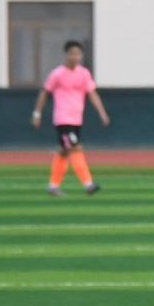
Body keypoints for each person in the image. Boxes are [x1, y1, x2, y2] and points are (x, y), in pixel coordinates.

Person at [33, 41, 109, 196]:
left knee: (64, 151)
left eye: (78, 54)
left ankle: (53, 186)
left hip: (76, 119)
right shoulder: (58, 74)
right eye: (72, 53)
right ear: (66, 54)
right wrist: (37, 114)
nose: (75, 57)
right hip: (63, 119)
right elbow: (44, 92)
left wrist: (102, 112)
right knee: (76, 147)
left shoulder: (84, 74)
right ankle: (88, 184)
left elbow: (92, 93)